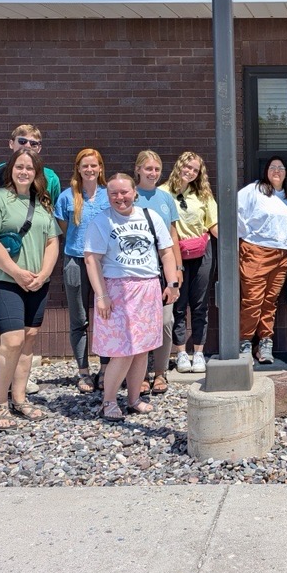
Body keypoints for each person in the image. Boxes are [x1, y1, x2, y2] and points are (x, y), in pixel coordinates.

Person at [0, 148, 60, 430]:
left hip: (36, 282)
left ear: (36, 173)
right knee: (11, 340)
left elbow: (52, 241)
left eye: (29, 168)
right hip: (4, 280)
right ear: (11, 169)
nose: (24, 172)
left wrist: (43, 274)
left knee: (29, 339)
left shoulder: (42, 203)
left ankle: (20, 399)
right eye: (19, 166)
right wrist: (17, 272)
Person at [83, 173, 180, 421]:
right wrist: (101, 295)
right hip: (117, 289)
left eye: (124, 192)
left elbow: (166, 252)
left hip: (148, 288)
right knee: (123, 350)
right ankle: (108, 401)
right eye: (113, 193)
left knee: (142, 349)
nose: (120, 197)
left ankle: (134, 399)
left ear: (134, 192)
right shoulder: (101, 221)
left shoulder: (151, 216)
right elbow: (91, 260)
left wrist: (172, 283)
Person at [54, 148, 109, 394]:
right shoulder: (67, 197)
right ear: (78, 168)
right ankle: (84, 371)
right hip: (75, 261)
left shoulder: (108, 195)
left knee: (105, 316)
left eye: (94, 165)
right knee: (79, 319)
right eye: (85, 165)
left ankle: (105, 369)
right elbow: (64, 227)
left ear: (100, 168)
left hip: (104, 263)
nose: (89, 169)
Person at [161, 151, 218, 377]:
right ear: (179, 166)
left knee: (200, 303)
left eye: (195, 170)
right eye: (188, 167)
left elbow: (214, 225)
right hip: (175, 253)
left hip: (202, 252)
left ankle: (199, 352)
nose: (190, 172)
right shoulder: (163, 192)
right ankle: (181, 352)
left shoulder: (203, 194)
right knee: (178, 303)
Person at [237, 156, 287, 364]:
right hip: (256, 252)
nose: (276, 171)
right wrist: (246, 235)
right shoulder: (254, 190)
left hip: (282, 254)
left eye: (281, 167)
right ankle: (245, 342)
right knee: (252, 300)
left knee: (270, 301)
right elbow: (234, 210)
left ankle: (264, 342)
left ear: (286, 173)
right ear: (266, 171)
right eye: (272, 167)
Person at [132, 151, 181, 394]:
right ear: (138, 169)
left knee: (165, 320)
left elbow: (173, 235)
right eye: (148, 168)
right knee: (139, 322)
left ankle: (160, 372)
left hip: (163, 268)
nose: (153, 173)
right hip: (137, 269)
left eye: (157, 169)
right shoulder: (130, 195)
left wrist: (178, 269)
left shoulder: (165, 198)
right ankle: (140, 375)